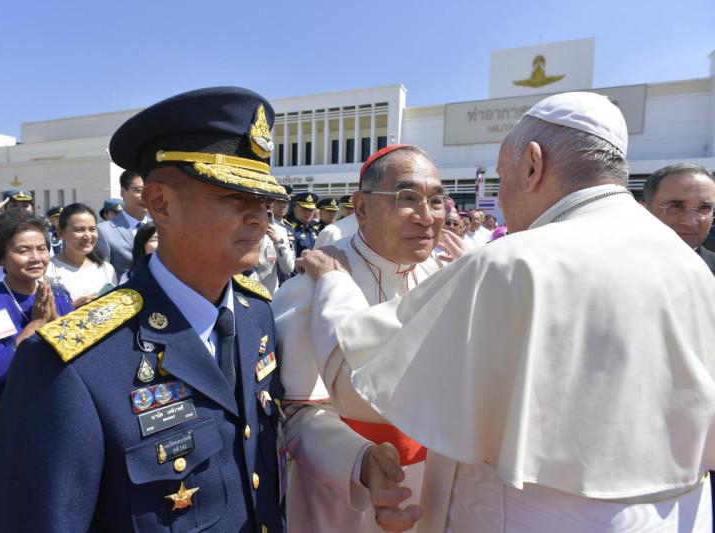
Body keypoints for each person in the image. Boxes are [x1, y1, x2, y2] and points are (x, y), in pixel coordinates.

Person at [299, 92, 715, 532]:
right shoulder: (691, 265)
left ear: (533, 165)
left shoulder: (512, 262)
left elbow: (355, 382)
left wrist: (333, 283)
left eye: (502, 175)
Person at [0, 87, 287, 532]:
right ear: (160, 203)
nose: (260, 218)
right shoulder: (72, 363)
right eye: (235, 198)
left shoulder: (257, 314)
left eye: (263, 201)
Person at [273, 144, 460, 533]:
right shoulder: (310, 287)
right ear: (361, 208)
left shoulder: (440, 278)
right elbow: (297, 414)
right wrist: (360, 462)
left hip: (433, 490)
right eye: (407, 198)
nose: (427, 218)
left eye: (437, 200)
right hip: (347, 497)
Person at [0, 212, 75, 397]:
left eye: (41, 248)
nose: (35, 258)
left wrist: (58, 325)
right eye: (23, 251)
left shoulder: (59, 295)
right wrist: (36, 325)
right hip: (12, 405)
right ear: (1, 258)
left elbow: (80, 360)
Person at [642, 163, 715, 273]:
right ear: (645, 210)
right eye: (676, 206)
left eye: (704, 207)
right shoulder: (616, 267)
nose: (690, 222)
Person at [44, 203, 118, 307]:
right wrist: (73, 308)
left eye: (92, 229)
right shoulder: (47, 269)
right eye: (79, 230)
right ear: (61, 233)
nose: (87, 236)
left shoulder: (107, 269)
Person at [94, 170, 149, 279]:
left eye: (150, 190)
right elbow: (103, 276)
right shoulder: (104, 231)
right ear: (123, 192)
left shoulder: (161, 227)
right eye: (139, 190)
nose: (145, 195)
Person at [252, 218, 295, 295]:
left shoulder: (279, 231)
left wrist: (278, 242)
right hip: (243, 293)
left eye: (269, 207)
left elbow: (288, 268)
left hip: (269, 295)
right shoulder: (242, 228)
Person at [288, 192, 319, 257]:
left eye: (310, 210)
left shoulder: (315, 230)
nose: (307, 213)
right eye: (304, 209)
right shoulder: (290, 230)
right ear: (295, 210)